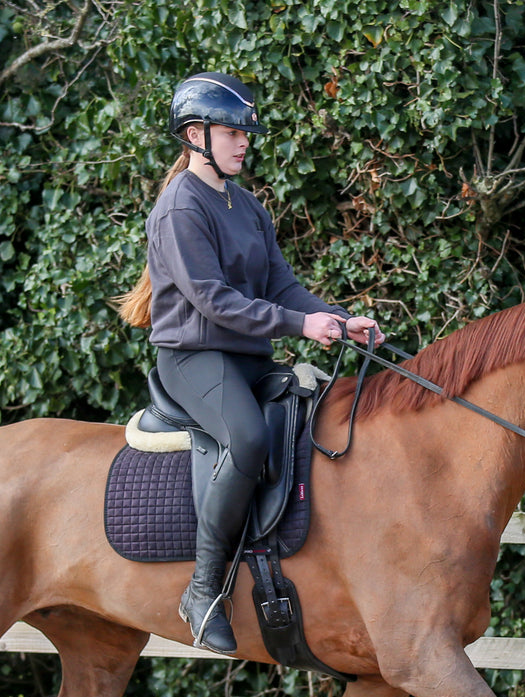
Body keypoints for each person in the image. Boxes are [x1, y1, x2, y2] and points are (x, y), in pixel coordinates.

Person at [117, 71, 384, 655]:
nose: (244, 143)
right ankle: (204, 589)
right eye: (232, 132)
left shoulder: (244, 203)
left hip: (247, 357)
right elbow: (212, 299)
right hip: (195, 359)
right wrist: (299, 326)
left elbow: (281, 285)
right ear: (194, 134)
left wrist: (335, 319)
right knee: (246, 437)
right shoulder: (179, 209)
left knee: (324, 416)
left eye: (246, 133)